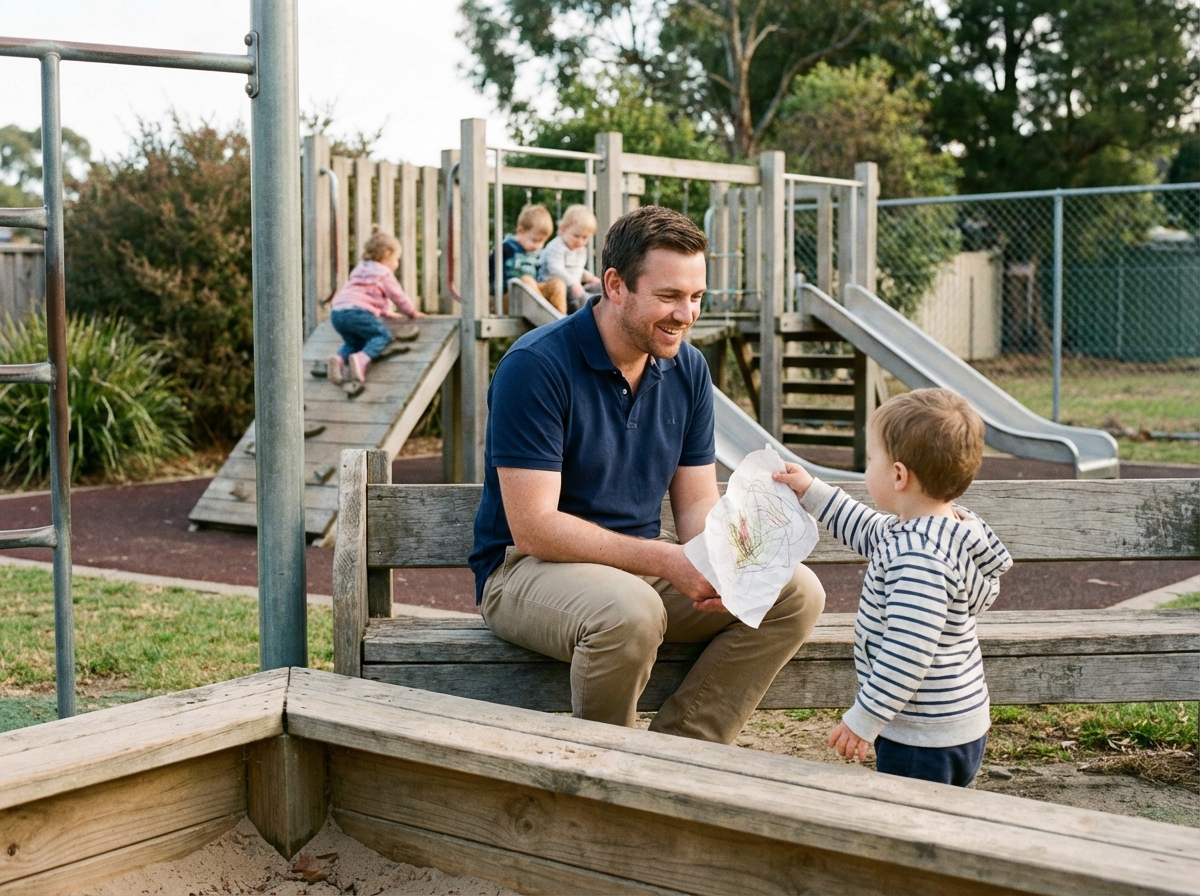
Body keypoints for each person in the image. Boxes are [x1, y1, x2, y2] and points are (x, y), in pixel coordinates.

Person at [469, 205, 826, 744]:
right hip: (526, 570)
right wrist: (668, 560)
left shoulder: (689, 368)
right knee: (630, 613)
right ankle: (610, 773)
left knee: (795, 592)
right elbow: (534, 527)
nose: (686, 315)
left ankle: (681, 756)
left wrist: (726, 555)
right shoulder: (535, 365)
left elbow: (695, 507)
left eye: (696, 297)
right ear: (615, 285)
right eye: (668, 297)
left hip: (636, 564)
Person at [773, 388, 1013, 787]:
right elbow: (866, 528)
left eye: (871, 460)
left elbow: (907, 652)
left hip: (922, 736)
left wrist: (864, 719)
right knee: (945, 819)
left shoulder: (918, 557)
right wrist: (811, 491)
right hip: (953, 722)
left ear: (899, 475)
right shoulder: (936, 529)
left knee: (912, 826)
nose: (867, 469)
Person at [327, 227, 425, 384]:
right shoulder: (383, 273)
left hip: (337, 313)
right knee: (381, 335)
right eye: (396, 259)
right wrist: (412, 312)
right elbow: (397, 295)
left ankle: (339, 360)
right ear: (387, 255)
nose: (396, 263)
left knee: (354, 342)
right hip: (357, 312)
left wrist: (386, 311)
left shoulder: (360, 269)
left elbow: (370, 294)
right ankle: (361, 360)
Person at [489, 204, 568, 314]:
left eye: (542, 242)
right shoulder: (506, 248)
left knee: (557, 283)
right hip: (509, 297)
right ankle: (545, 312)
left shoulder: (537, 253)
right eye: (535, 241)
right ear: (520, 231)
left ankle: (559, 316)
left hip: (533, 294)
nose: (538, 246)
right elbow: (489, 270)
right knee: (526, 280)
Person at [538, 204, 602, 312]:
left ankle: (603, 310)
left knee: (600, 288)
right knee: (583, 298)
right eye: (576, 236)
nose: (580, 241)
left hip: (573, 287)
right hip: (556, 288)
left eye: (585, 237)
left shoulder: (580, 249)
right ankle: (587, 315)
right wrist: (573, 283)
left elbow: (576, 269)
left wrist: (588, 277)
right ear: (563, 229)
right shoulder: (556, 246)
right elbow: (555, 269)